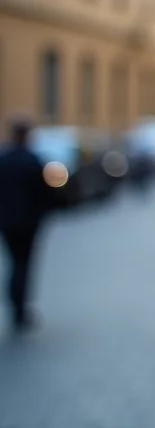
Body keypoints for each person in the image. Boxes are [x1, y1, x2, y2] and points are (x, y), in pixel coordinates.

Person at [0, 115, 61, 332]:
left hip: (7, 221)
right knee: (24, 263)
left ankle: (15, 303)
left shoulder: (3, 159)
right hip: (29, 222)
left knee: (14, 261)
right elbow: (47, 193)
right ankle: (20, 307)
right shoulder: (33, 161)